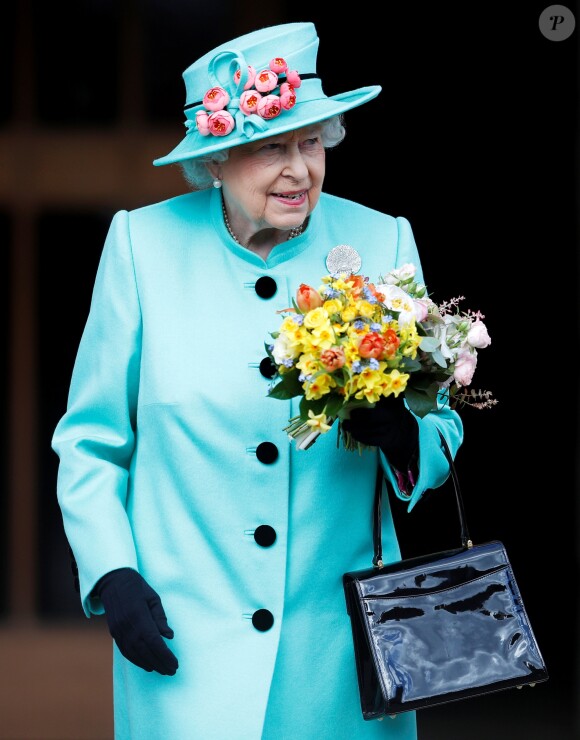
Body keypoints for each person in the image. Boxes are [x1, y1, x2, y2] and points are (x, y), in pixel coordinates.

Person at [51, 21, 463, 740]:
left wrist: (404, 435)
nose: (299, 169)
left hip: (339, 656)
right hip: (182, 646)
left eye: (312, 141)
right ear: (213, 160)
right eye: (272, 146)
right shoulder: (140, 248)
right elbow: (90, 443)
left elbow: (444, 423)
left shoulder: (381, 241)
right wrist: (111, 572)